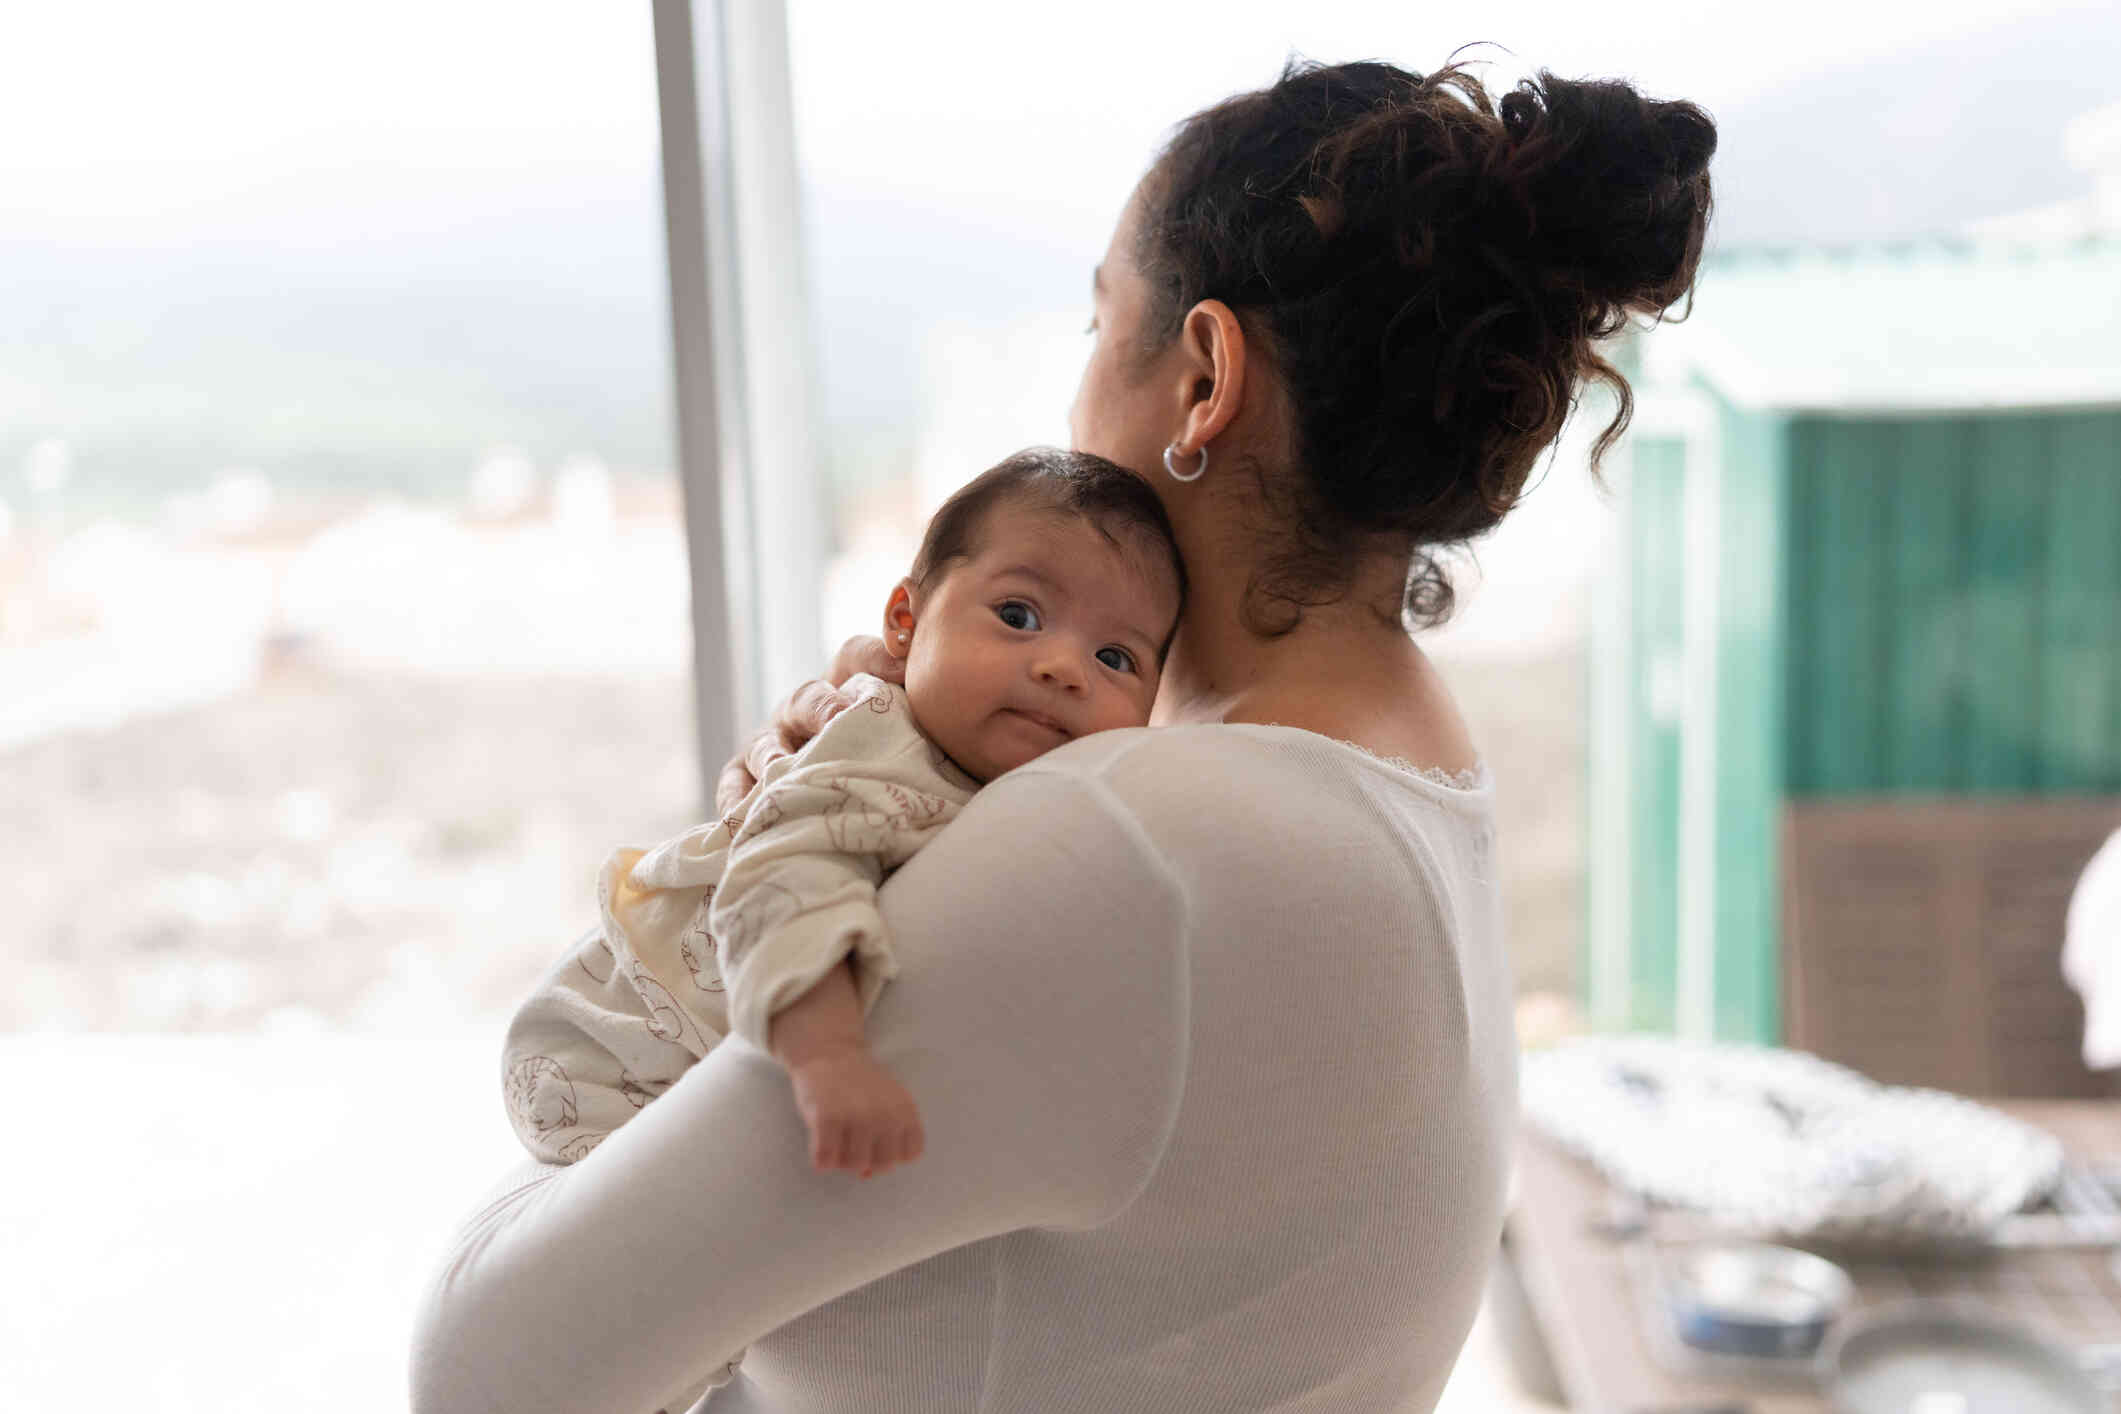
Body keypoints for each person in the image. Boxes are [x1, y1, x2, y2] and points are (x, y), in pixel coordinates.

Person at [409, 55, 1714, 1414]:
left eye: (1102, 326)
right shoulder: (1410, 764)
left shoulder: (1132, 855)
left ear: (1204, 375)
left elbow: (489, 1361)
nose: (1077, 392)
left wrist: (706, 960)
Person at [501, 447, 1184, 1173]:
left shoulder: (1044, 794)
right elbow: (784, 876)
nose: (1064, 668)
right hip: (610, 1041)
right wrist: (828, 1059)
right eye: (1018, 615)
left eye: (1116, 659)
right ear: (904, 622)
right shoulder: (878, 743)